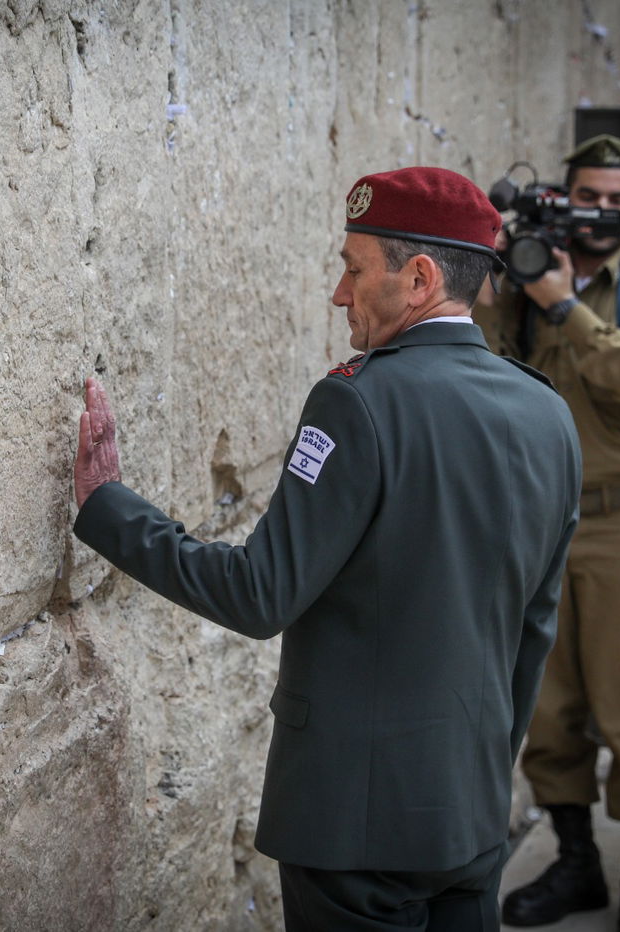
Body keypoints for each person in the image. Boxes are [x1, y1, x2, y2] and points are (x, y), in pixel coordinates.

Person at [73, 166, 583, 931]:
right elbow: (534, 627)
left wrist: (109, 509)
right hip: (470, 812)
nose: (340, 294)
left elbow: (258, 593)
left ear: (418, 278)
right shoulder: (547, 412)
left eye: (352, 269)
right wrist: (479, 771)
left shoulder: (357, 399)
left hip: (355, 827)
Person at [473, 134, 620, 932]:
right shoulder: (521, 274)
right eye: (581, 198)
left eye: (611, 201)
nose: (595, 213)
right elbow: (482, 376)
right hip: (532, 523)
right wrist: (494, 278)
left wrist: (561, 303)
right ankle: (577, 865)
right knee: (548, 707)